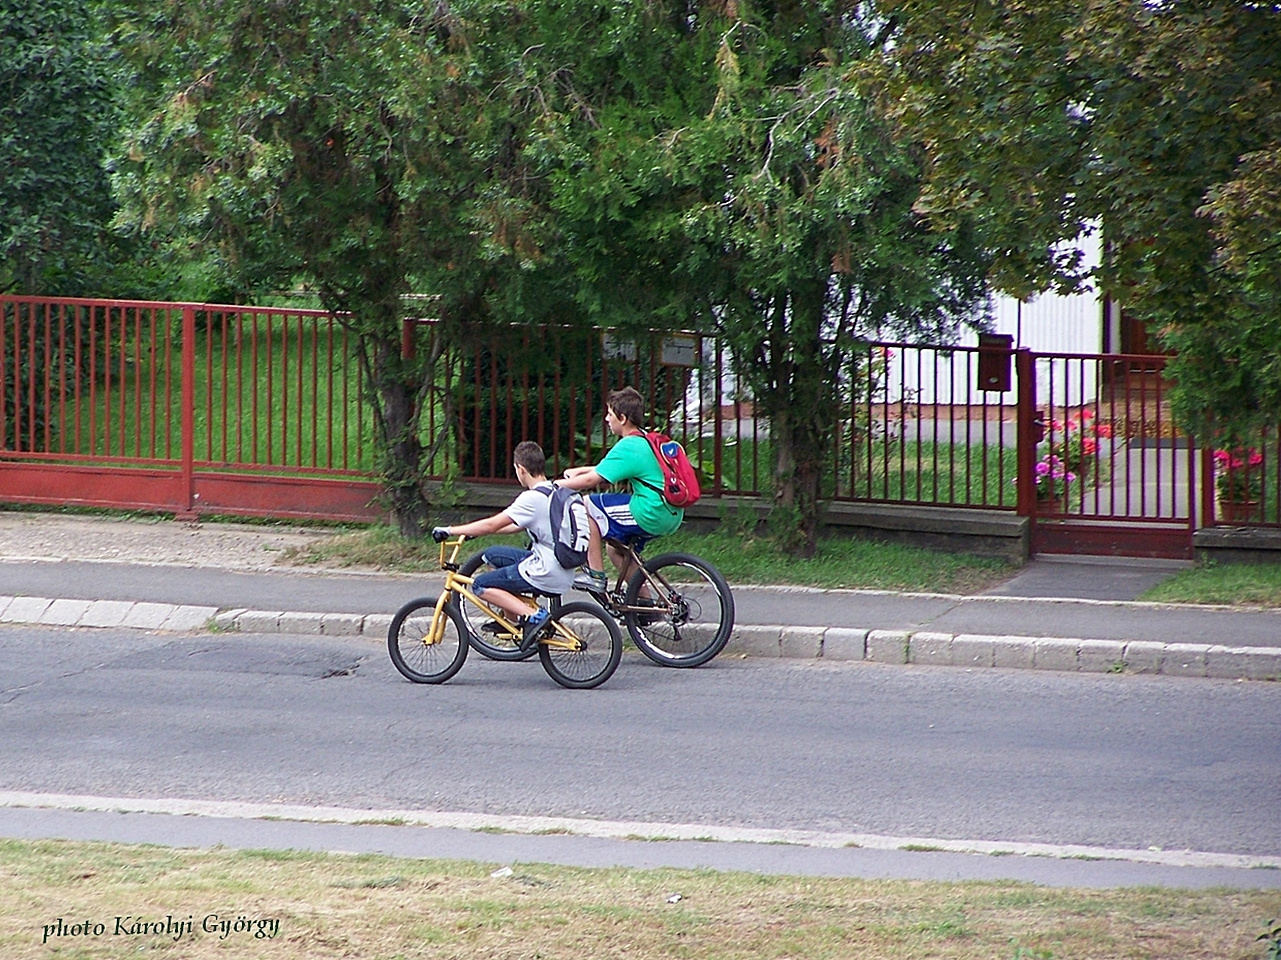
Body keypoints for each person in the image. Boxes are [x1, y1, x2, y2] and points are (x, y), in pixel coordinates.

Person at [431, 440, 574, 646]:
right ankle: (512, 621)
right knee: (493, 555)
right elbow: (512, 526)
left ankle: (534, 616)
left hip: (545, 569)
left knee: (481, 584)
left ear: (521, 469)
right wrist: (475, 532)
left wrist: (450, 530)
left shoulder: (531, 499)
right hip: (559, 564)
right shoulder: (554, 490)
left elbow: (492, 524)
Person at [559, 386, 683, 589]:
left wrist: (553, 485)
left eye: (609, 414)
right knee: (615, 550)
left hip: (650, 511)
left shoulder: (628, 446)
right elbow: (608, 469)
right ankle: (644, 607)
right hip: (670, 513)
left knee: (586, 505)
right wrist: (579, 471)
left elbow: (592, 481)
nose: (606, 419)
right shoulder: (645, 439)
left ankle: (595, 576)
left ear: (623, 418)